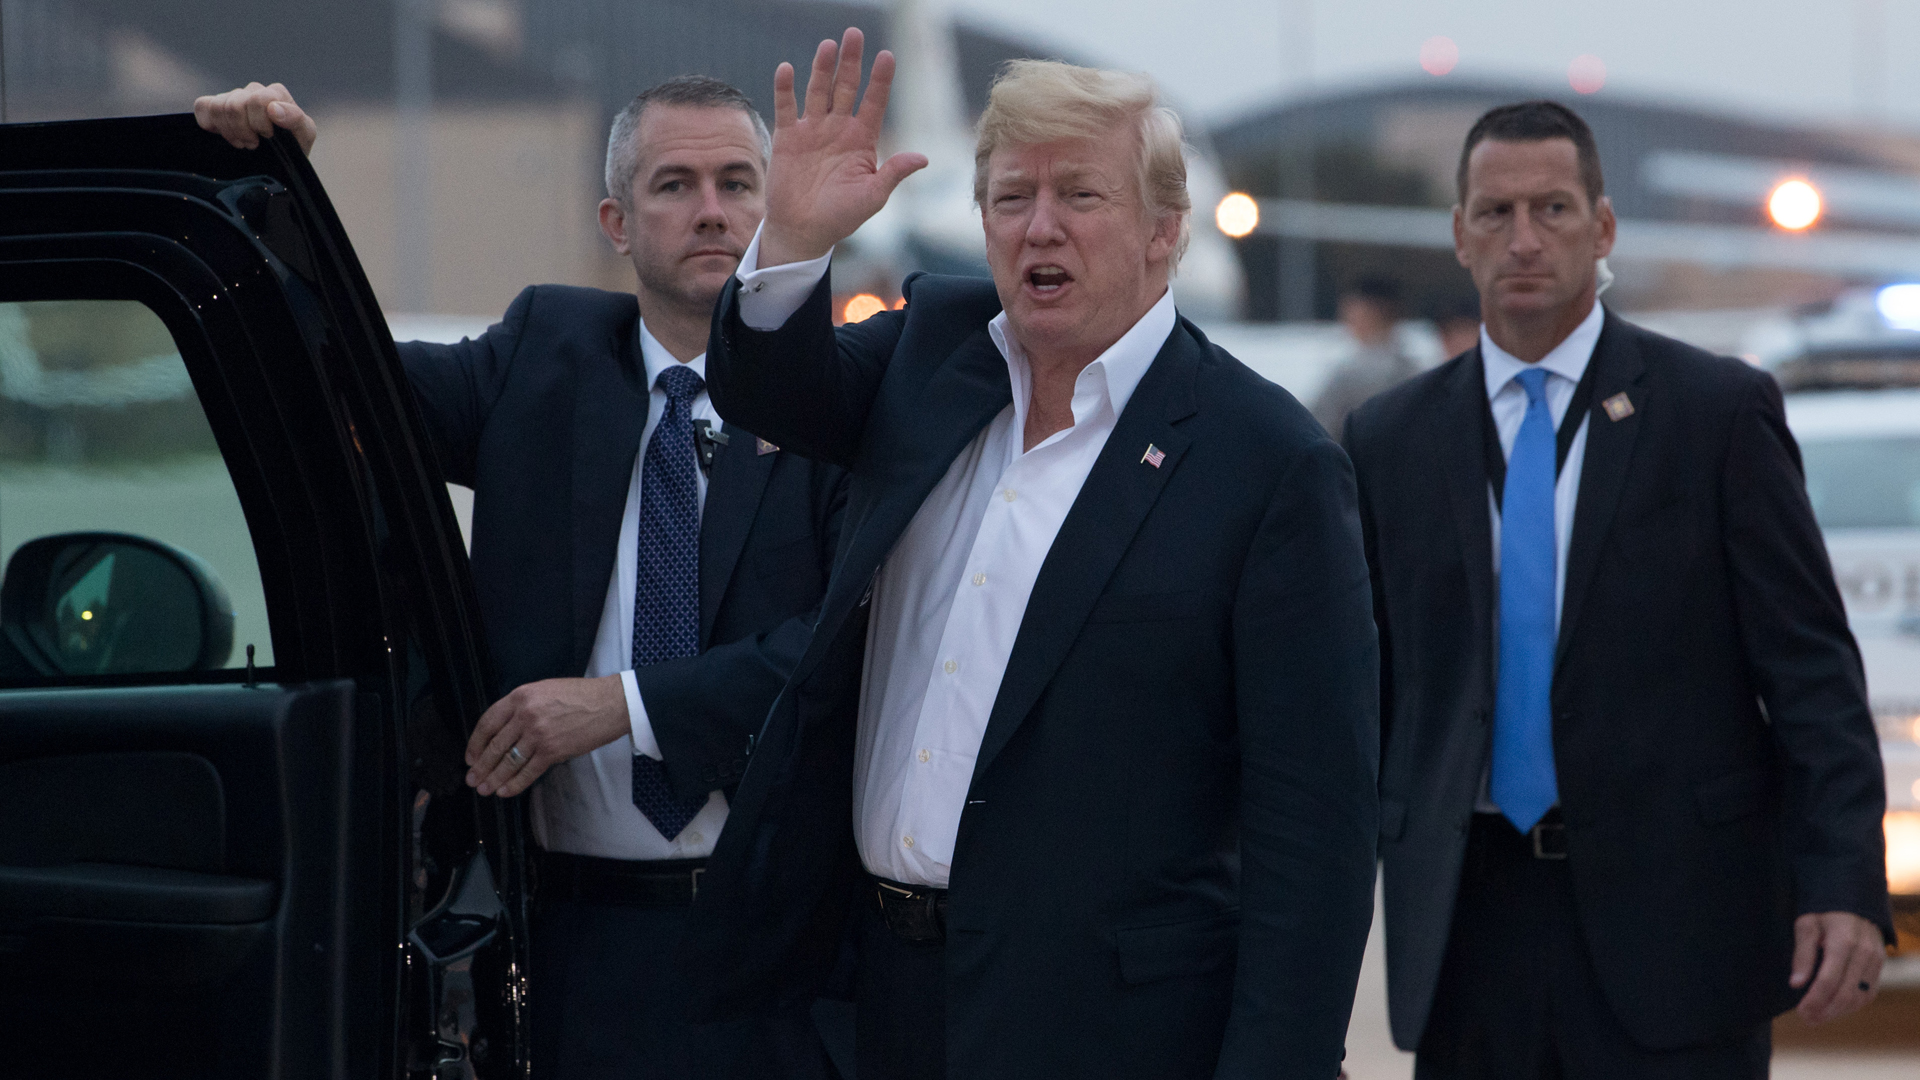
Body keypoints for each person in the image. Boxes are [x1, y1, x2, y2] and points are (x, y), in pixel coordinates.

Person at [680, 29, 1380, 1080]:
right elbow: (771, 390)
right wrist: (789, 241)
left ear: (1163, 230)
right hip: (875, 1002)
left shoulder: (1268, 462)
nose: (1039, 227)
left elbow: (1312, 834)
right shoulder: (936, 351)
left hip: (1106, 1030)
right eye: (1012, 198)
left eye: (1080, 197)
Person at [196, 77, 847, 1080]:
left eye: (737, 182)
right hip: (565, 949)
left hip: (776, 958)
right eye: (674, 185)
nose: (712, 210)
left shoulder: (836, 401)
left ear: (773, 207)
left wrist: (621, 708)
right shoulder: (543, 353)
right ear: (617, 223)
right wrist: (272, 188)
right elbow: (332, 374)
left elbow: (836, 649)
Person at [1343, 100, 1894, 1079]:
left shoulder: (1716, 414)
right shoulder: (1390, 438)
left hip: (1678, 929)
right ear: (1459, 235)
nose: (1524, 239)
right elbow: (1369, 691)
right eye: (1496, 212)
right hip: (1467, 929)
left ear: (1602, 228)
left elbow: (1811, 671)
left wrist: (1843, 882)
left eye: (1553, 210)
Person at [1310, 276, 1416, 434]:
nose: (1345, 316)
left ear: (1371, 311)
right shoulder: (1414, 368)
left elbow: (1317, 427)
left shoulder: (1351, 374)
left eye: (1351, 308)